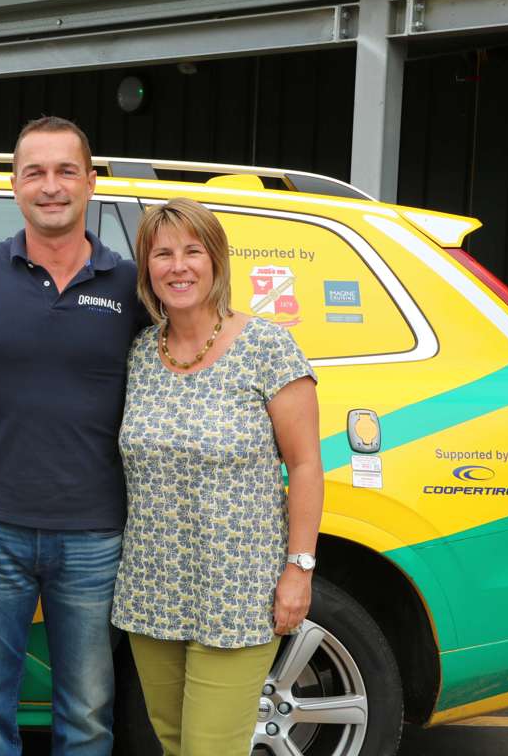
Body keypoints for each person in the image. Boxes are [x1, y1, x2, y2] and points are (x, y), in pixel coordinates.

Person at [0, 116, 150, 755]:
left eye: (66, 171)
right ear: (15, 185)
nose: (51, 186)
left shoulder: (132, 283)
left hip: (95, 533)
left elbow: (199, 342)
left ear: (91, 182)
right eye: (35, 171)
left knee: (86, 712)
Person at [112, 197, 324, 756]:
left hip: (238, 591)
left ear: (217, 262)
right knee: (175, 742)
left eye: (192, 251)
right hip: (152, 588)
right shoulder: (138, 353)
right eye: (162, 254)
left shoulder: (267, 348)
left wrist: (298, 570)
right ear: (147, 269)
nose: (178, 266)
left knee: (210, 748)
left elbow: (304, 464)